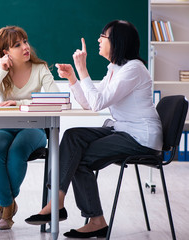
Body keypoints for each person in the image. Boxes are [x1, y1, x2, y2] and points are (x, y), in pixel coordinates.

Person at [25, 20, 163, 238]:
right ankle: (58, 201)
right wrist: (73, 78)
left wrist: (82, 69)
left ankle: (94, 219)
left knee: (78, 158)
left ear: (117, 42)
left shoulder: (134, 69)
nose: (98, 40)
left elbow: (98, 104)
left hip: (140, 137)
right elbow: (91, 104)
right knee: (73, 136)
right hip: (123, 129)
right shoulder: (115, 69)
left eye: (103, 36)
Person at [0, 26, 60, 230]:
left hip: (35, 129)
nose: (25, 47)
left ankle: (4, 205)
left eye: (25, 41)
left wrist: (20, 104)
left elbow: (56, 101)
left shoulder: (41, 69)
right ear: (5, 52)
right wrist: (0, 72)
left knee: (18, 150)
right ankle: (8, 205)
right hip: (5, 127)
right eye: (17, 45)